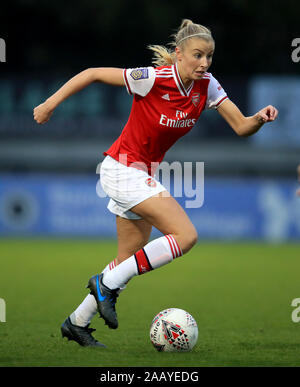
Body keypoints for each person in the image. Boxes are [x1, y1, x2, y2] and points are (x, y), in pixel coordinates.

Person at [33, 19, 278, 347]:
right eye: (197, 55)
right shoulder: (152, 79)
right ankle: (103, 285)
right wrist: (50, 104)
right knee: (186, 236)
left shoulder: (208, 86)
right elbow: (91, 72)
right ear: (178, 54)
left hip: (140, 174)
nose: (204, 63)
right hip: (121, 169)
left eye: (209, 57)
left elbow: (241, 127)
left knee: (126, 261)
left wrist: (259, 119)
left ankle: (77, 322)